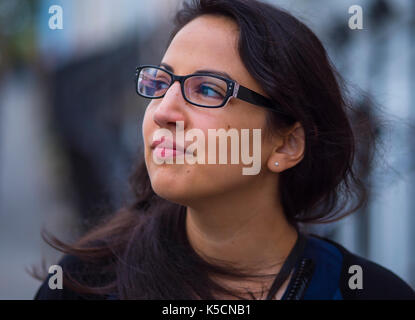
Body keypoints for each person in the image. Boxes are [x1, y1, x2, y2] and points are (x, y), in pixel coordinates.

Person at [34, 0, 414, 300]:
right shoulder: (84, 284)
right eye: (160, 82)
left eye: (208, 90)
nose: (163, 111)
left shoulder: (367, 292)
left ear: (287, 142)